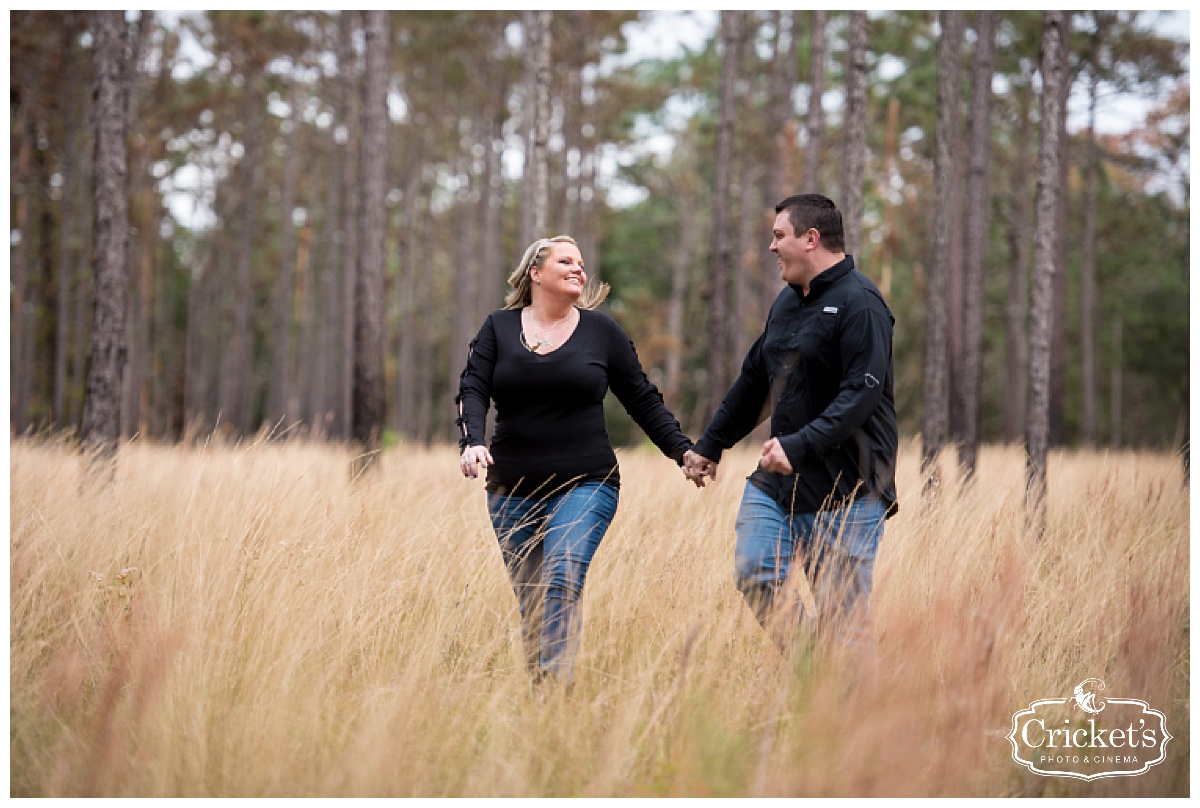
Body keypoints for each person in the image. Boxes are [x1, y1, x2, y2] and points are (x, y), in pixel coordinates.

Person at [456, 235, 695, 683]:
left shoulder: (601, 332)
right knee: (532, 600)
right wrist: (471, 440)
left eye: (581, 263)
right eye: (565, 261)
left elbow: (642, 398)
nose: (578, 269)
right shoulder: (498, 327)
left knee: (562, 577)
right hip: (511, 490)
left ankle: (555, 692)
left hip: (587, 482)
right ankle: (543, 700)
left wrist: (681, 450)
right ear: (535, 273)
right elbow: (472, 387)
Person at [682, 193, 898, 657]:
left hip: (849, 490)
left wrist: (798, 446)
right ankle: (814, 671)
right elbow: (755, 381)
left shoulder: (862, 305)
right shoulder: (786, 303)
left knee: (845, 624)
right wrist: (710, 445)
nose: (771, 247)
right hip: (777, 484)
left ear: (811, 239)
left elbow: (861, 394)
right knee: (755, 572)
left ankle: (851, 717)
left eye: (779, 236)